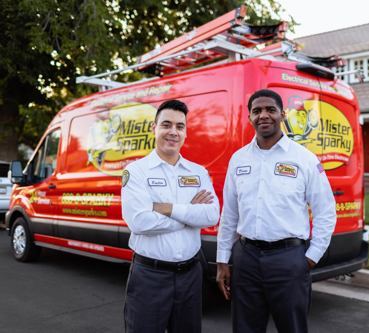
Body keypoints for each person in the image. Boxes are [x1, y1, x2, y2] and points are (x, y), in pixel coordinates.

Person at [216, 89, 337, 333]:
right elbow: (229, 215)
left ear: (283, 114)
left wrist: (310, 258)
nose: (264, 116)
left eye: (270, 110)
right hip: (246, 258)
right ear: (249, 117)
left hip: (289, 259)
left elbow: (326, 212)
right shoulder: (238, 159)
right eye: (257, 111)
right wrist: (222, 260)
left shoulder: (304, 159)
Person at [121, 99, 220, 333]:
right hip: (149, 277)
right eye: (166, 125)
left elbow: (211, 215)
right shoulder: (136, 171)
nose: (173, 132)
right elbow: (140, 222)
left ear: (186, 132)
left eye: (180, 126)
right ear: (154, 128)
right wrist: (189, 213)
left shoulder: (198, 172)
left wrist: (167, 207)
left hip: (190, 277)